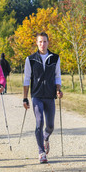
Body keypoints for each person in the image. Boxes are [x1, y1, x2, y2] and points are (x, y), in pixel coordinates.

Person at [23, 32, 63, 164]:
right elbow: (27, 79)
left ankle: (45, 138)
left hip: (50, 96)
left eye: (45, 41)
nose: (42, 44)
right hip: (37, 96)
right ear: (37, 43)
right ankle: (41, 152)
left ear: (48, 42)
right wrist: (25, 97)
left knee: (50, 125)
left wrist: (58, 90)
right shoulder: (31, 59)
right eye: (40, 42)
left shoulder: (55, 58)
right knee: (39, 122)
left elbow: (57, 76)